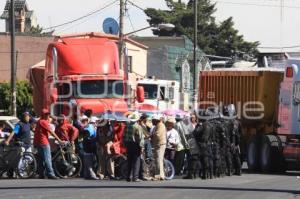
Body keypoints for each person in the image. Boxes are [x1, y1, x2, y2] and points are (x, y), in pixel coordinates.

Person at [34, 109, 64, 179]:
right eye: (46, 114)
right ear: (43, 115)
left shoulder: (39, 121)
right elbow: (51, 131)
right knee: (47, 158)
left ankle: (41, 174)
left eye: (48, 114)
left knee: (41, 159)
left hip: (39, 142)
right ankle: (50, 173)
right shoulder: (43, 122)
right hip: (44, 142)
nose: (48, 116)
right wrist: (59, 140)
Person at [123, 112, 144, 182]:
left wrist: (125, 144)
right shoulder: (138, 127)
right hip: (135, 144)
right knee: (136, 161)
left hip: (128, 144)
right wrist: (141, 147)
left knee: (129, 161)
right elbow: (140, 138)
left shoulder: (127, 126)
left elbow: (123, 136)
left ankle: (128, 176)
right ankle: (135, 177)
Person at [81, 115, 99, 180]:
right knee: (89, 161)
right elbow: (88, 136)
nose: (97, 123)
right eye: (96, 122)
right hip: (89, 145)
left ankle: (86, 174)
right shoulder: (89, 128)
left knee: (88, 160)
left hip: (89, 145)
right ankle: (92, 175)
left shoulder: (90, 127)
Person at [151, 114, 167, 181]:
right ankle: (161, 175)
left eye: (153, 120)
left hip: (160, 144)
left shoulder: (160, 125)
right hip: (158, 144)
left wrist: (150, 136)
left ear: (156, 120)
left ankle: (159, 176)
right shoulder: (158, 125)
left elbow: (158, 135)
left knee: (158, 160)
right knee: (158, 160)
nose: (152, 122)